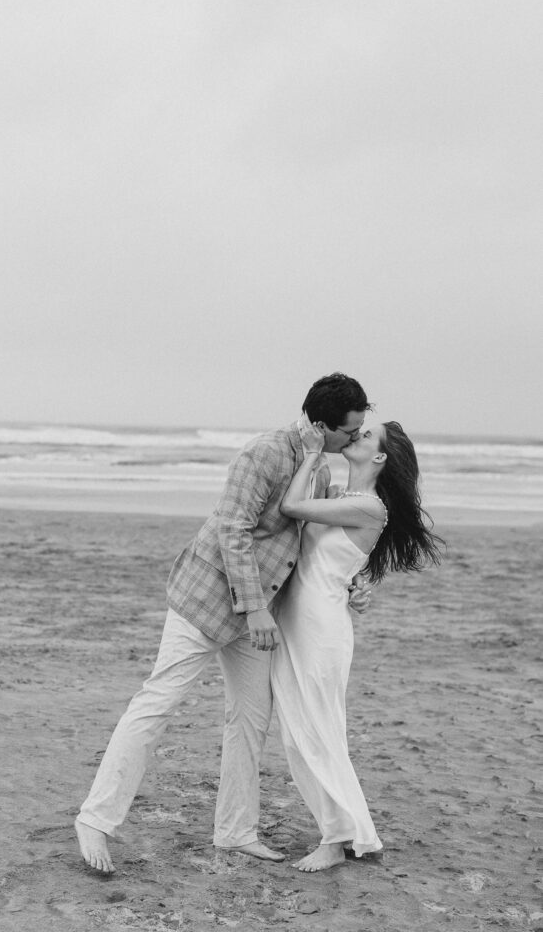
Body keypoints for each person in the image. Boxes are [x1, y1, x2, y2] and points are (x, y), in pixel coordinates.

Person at [75, 373, 372, 874]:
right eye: (348, 432)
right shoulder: (265, 453)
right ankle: (95, 820)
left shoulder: (319, 469)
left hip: (259, 614)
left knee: (251, 720)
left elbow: (305, 544)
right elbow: (232, 529)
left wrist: (352, 583)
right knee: (158, 702)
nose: (353, 442)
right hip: (207, 599)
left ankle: (235, 832)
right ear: (321, 426)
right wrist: (253, 606)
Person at [271, 420, 444, 873]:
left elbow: (290, 506)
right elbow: (326, 559)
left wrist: (312, 452)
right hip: (299, 618)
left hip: (321, 626)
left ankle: (338, 837)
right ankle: (342, 829)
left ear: (380, 458)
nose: (356, 437)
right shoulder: (341, 500)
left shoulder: (369, 506)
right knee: (298, 731)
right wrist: (356, 584)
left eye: (366, 437)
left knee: (320, 730)